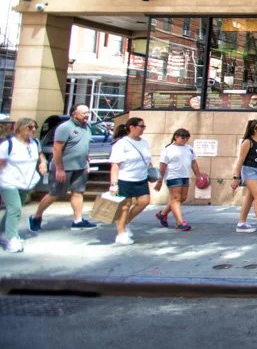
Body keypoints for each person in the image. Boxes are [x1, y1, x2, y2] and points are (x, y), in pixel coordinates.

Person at [29, 104, 97, 232]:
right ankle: (36, 216)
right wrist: (59, 169)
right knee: (55, 194)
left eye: (88, 112)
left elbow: (85, 146)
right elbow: (57, 149)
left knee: (78, 192)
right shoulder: (64, 128)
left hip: (80, 166)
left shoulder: (87, 127)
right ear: (74, 114)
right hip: (64, 167)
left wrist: (87, 161)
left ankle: (78, 221)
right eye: (84, 113)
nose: (87, 115)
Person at [0, 118, 48, 253]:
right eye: (30, 127)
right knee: (15, 209)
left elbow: (41, 155)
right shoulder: (8, 144)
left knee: (13, 209)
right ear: (20, 128)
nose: (34, 130)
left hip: (26, 182)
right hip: (8, 182)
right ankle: (11, 239)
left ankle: (3, 232)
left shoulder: (35, 143)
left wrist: (43, 163)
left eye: (35, 127)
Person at [108, 117, 154, 246]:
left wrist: (152, 171)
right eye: (141, 126)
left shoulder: (144, 142)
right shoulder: (121, 143)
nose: (143, 129)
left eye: (144, 127)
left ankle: (124, 222)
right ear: (131, 127)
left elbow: (148, 159)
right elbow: (115, 165)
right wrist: (114, 184)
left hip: (141, 178)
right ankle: (121, 233)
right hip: (125, 178)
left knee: (144, 201)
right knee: (125, 206)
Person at [154, 128, 207, 231]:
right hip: (173, 176)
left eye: (187, 137)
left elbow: (193, 162)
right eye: (183, 137)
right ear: (176, 137)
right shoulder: (168, 149)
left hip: (185, 175)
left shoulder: (189, 148)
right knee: (176, 198)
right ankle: (179, 223)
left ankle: (162, 214)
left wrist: (198, 175)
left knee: (182, 198)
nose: (185, 139)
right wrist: (160, 180)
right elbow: (163, 166)